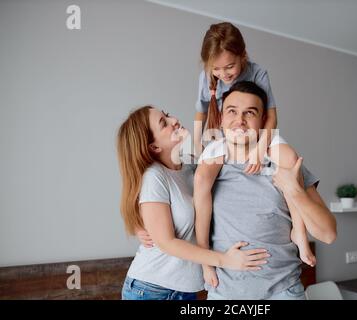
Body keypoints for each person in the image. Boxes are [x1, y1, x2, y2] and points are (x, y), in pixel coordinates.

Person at [195, 81, 337, 299]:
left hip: (284, 290)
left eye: (249, 113)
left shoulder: (285, 163)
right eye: (232, 111)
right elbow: (171, 201)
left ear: (262, 121)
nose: (239, 121)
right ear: (222, 118)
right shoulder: (208, 166)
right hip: (226, 293)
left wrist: (293, 190)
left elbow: (327, 234)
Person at [194, 22, 317, 270]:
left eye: (230, 66)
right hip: (225, 138)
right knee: (200, 179)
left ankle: (299, 232)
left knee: (289, 158)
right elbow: (200, 113)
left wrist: (261, 148)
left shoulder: (258, 72)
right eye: (217, 69)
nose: (224, 74)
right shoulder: (207, 77)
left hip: (260, 134)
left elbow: (271, 117)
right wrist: (197, 147)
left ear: (244, 56)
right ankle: (204, 254)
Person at [116, 106, 269, 300]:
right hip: (151, 291)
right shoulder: (154, 177)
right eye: (164, 123)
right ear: (154, 147)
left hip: (185, 291)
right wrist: (225, 260)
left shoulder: (190, 167)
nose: (174, 120)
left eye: (168, 114)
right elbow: (167, 243)